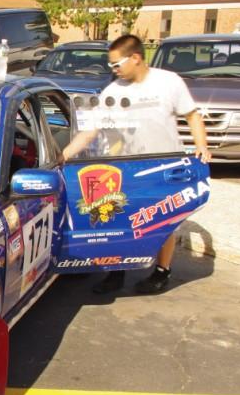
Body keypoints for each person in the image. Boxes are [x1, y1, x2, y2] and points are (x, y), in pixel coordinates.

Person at [62, 34, 212, 295]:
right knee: (120, 220)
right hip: (127, 168)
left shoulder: (169, 82)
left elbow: (192, 115)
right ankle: (116, 272)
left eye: (116, 64)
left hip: (165, 167)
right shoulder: (113, 91)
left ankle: (161, 272)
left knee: (165, 221)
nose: (113, 70)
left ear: (135, 58)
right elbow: (91, 131)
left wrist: (202, 146)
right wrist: (64, 156)